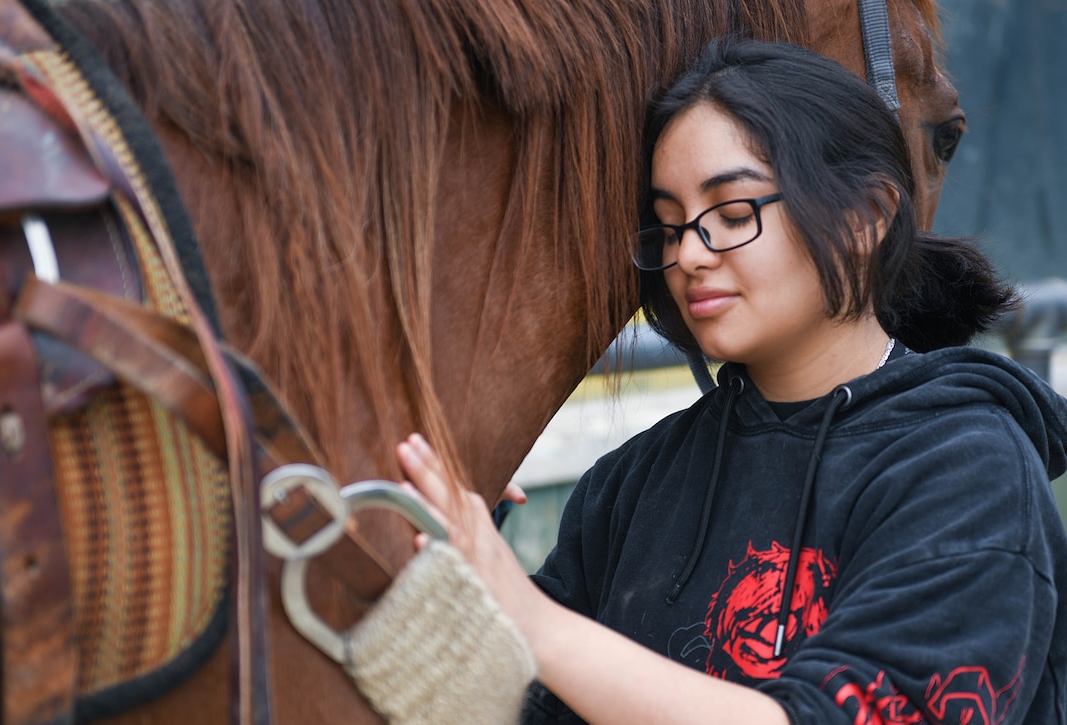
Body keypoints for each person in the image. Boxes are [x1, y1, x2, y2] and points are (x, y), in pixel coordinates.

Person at [396, 39, 1067, 724]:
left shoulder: (968, 471)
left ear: (866, 216)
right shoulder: (632, 483)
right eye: (669, 225)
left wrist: (535, 622)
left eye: (732, 213)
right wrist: (460, 567)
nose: (687, 253)